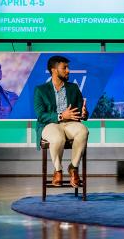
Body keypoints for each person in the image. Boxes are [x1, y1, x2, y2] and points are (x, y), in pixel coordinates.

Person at [34, 56, 89, 188]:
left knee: (83, 131)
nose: (68, 71)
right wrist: (60, 116)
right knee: (58, 138)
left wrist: (84, 114)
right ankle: (58, 170)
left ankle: (73, 168)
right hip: (50, 124)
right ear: (54, 70)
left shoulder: (73, 88)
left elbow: (81, 111)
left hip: (70, 124)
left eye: (68, 67)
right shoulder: (41, 90)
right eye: (64, 68)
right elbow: (41, 115)